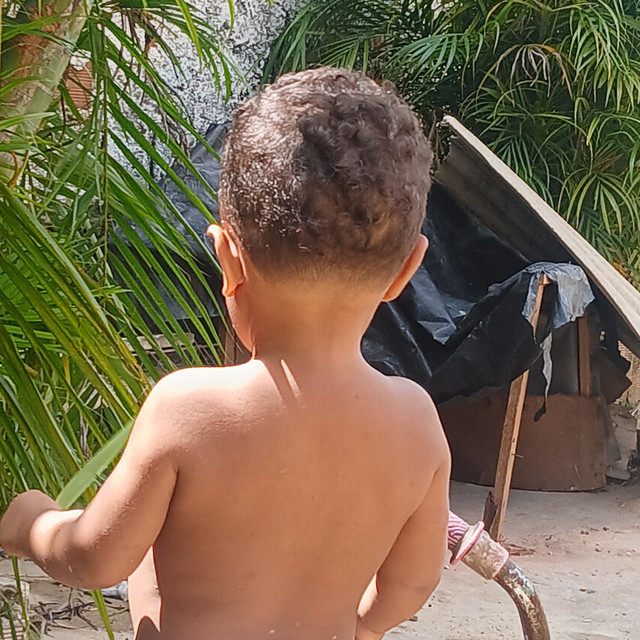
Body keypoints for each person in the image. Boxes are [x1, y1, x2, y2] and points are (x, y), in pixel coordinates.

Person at [0, 67, 451, 640]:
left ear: (227, 259)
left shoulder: (191, 408)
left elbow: (94, 559)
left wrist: (32, 522)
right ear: (406, 271)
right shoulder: (416, 422)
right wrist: (361, 626)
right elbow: (412, 583)